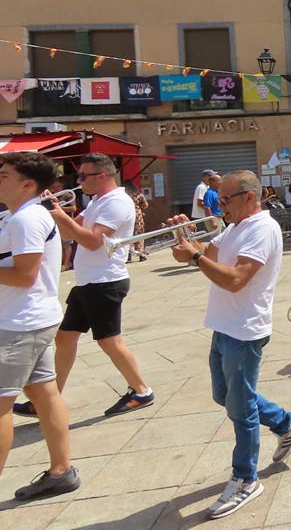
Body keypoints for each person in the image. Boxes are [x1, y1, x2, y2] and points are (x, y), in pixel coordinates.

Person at [166, 171, 291, 519]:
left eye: (225, 198)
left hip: (244, 329)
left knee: (240, 407)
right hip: (223, 325)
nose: (219, 204)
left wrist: (197, 257)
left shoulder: (262, 228)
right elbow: (202, 256)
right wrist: (185, 238)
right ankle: (286, 423)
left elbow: (236, 280)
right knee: (226, 396)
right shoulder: (233, 227)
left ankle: (246, 478)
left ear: (249, 196)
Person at [14, 154, 153, 419]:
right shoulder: (98, 201)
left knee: (109, 341)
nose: (78, 182)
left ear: (102, 176)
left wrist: (57, 213)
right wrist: (57, 210)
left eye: (83, 176)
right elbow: (70, 233)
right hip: (89, 280)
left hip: (106, 281)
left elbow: (91, 241)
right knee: (65, 338)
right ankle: (46, 400)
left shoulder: (117, 202)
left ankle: (141, 390)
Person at [0, 153, 80, 500]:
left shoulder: (26, 219)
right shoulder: (17, 216)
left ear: (27, 184)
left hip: (19, 323)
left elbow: (25, 274)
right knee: (45, 393)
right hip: (31, 319)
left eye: (4, 175)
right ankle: (61, 471)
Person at [124, 182, 150, 262]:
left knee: (128, 234)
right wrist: (140, 208)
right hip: (138, 216)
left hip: (127, 214)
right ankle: (141, 254)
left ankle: (129, 254)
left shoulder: (124, 196)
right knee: (139, 235)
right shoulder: (139, 195)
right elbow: (145, 205)